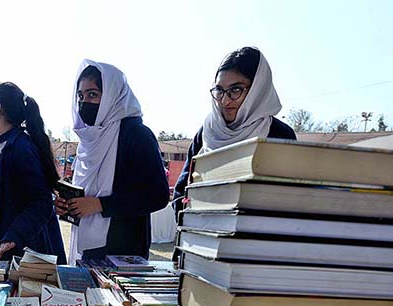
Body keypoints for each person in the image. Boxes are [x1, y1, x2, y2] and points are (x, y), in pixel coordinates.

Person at [54, 60, 169, 263]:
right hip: (88, 247)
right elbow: (85, 192)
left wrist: (100, 204)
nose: (84, 103)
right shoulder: (89, 140)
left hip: (124, 252)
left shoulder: (136, 135)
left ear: (111, 96)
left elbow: (157, 195)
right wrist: (68, 205)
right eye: (80, 96)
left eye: (93, 95)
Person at [172, 47, 296, 213]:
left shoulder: (279, 136)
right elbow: (181, 193)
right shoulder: (207, 132)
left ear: (257, 89)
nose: (225, 101)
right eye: (219, 91)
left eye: (235, 90)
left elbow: (289, 198)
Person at [0, 82, 66, 263]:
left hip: (21, 252)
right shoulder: (0, 146)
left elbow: (40, 201)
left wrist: (14, 236)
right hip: (0, 247)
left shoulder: (20, 148)